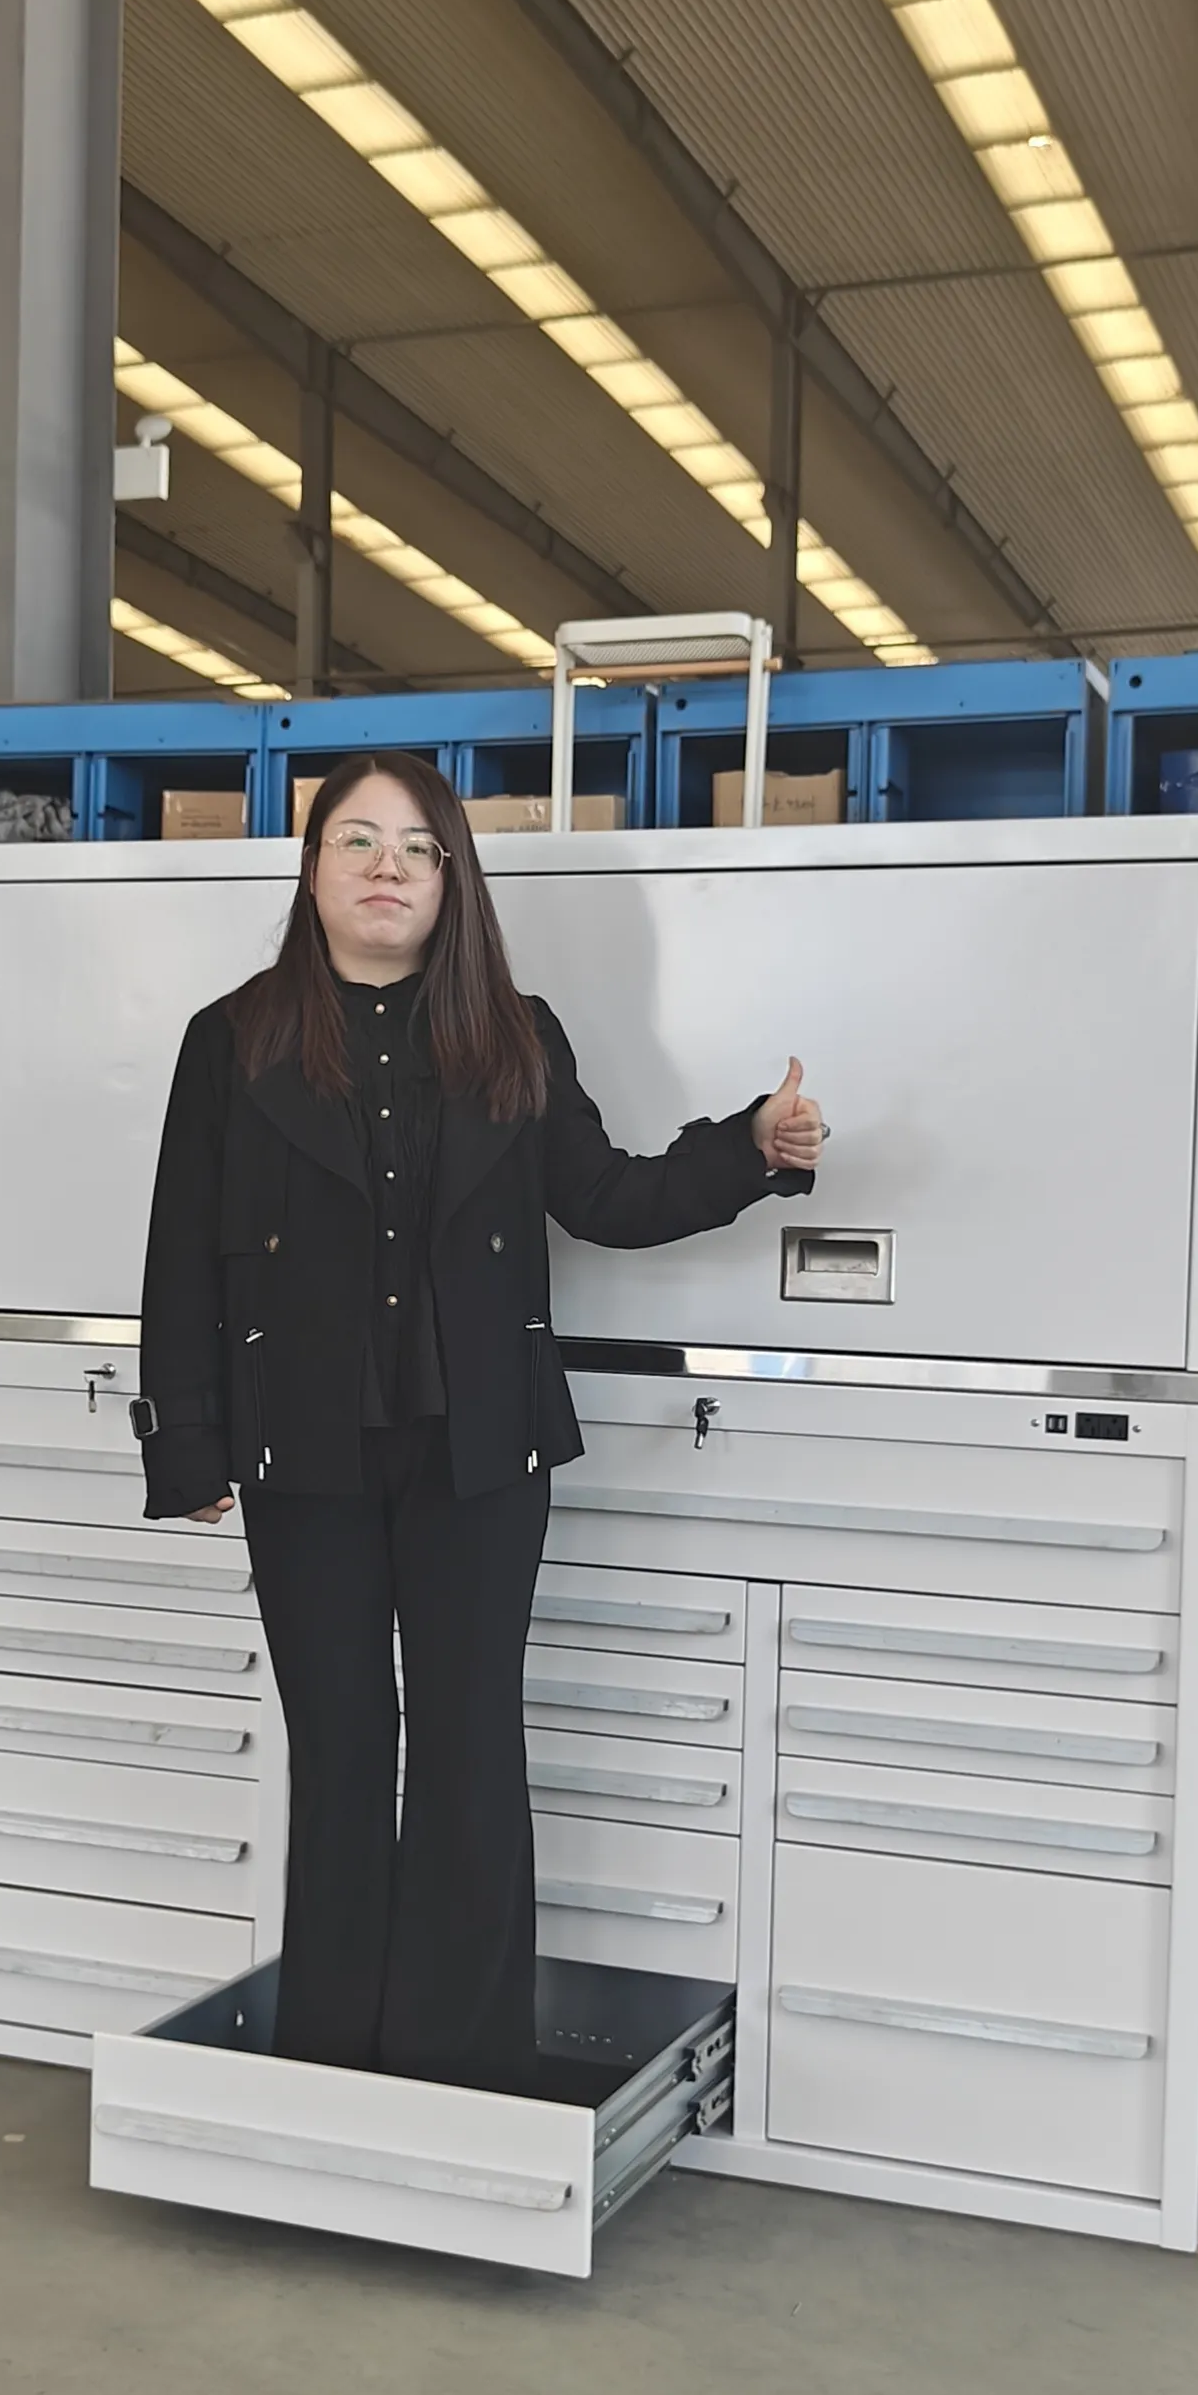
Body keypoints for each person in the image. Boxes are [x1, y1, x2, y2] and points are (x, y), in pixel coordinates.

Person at [133, 751, 826, 2089]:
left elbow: (608, 1198)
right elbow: (179, 1252)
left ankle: (460, 2069)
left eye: (416, 847)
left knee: (466, 1747)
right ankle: (330, 2058)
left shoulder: (515, 1033)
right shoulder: (235, 1039)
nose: (386, 866)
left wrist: (751, 1144)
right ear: (314, 868)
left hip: (481, 1456)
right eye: (357, 841)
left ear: (453, 880)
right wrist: (189, 1446)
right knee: (340, 1753)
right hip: (303, 1457)